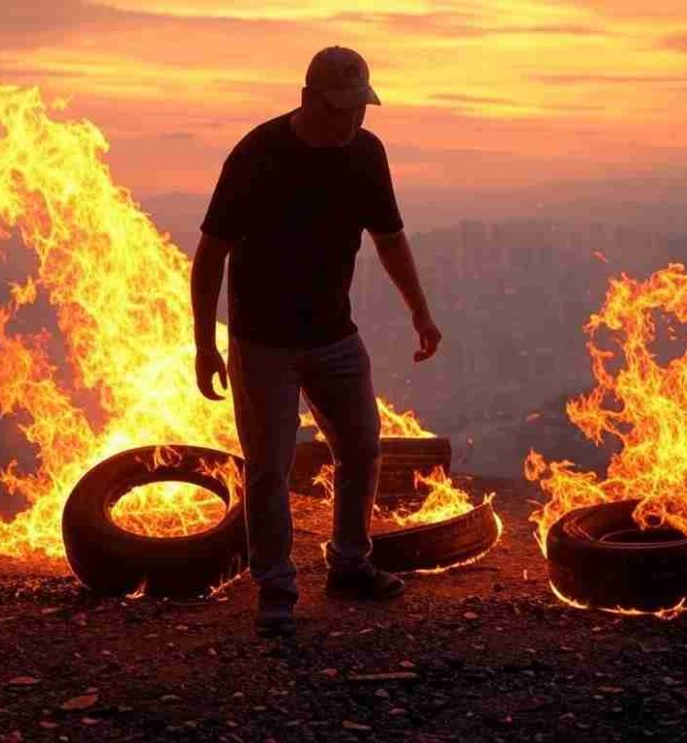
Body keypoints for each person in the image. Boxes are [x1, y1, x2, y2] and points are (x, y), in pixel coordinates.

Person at [190, 46, 442, 638]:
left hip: (334, 335)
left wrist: (421, 314)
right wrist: (205, 344)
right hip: (261, 343)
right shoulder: (258, 154)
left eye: (360, 111)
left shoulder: (365, 153)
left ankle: (350, 565)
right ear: (308, 100)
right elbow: (210, 257)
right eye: (340, 112)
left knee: (362, 448)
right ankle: (275, 588)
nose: (351, 123)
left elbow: (390, 240)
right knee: (269, 469)